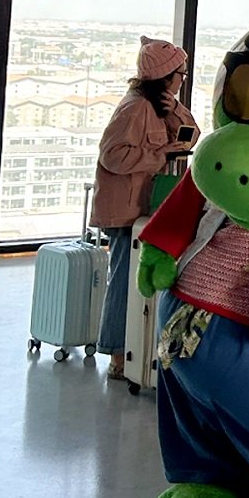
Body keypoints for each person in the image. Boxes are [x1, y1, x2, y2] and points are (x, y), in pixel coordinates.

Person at [91, 37, 199, 380]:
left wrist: (175, 109)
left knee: (133, 282)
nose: (182, 80)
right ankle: (117, 355)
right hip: (125, 211)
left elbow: (191, 136)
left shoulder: (157, 107)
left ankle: (132, 353)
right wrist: (158, 155)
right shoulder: (135, 108)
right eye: (181, 74)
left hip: (145, 208)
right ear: (167, 76)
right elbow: (112, 155)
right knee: (123, 282)